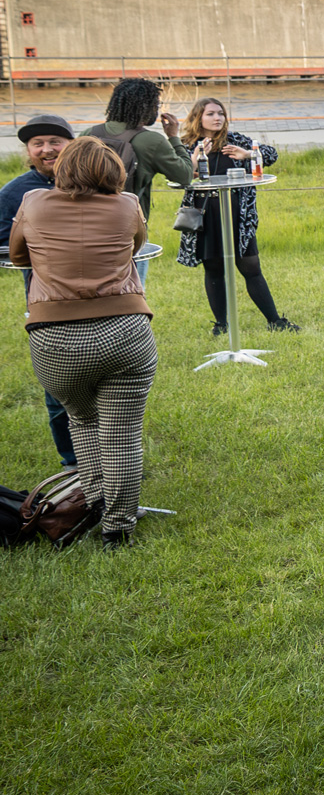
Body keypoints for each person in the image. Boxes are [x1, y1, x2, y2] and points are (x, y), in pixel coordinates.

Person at [8, 136, 155, 548]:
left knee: (82, 420)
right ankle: (118, 527)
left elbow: (19, 256)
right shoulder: (127, 204)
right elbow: (135, 247)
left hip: (55, 337)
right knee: (122, 431)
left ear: (63, 167)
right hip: (125, 330)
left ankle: (94, 501)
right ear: (113, 170)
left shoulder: (34, 201)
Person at [174, 97, 297, 335]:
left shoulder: (237, 140)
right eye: (210, 114)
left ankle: (275, 321)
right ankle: (221, 325)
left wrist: (248, 155)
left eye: (220, 113)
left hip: (237, 214)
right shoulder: (186, 144)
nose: (217, 118)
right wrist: (196, 155)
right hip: (205, 214)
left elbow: (271, 156)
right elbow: (181, 175)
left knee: (251, 266)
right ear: (198, 117)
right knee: (213, 268)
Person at [0, 113, 77, 468]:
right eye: (37, 144)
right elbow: (3, 247)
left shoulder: (93, 182)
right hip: (48, 306)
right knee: (58, 393)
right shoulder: (15, 193)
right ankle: (72, 468)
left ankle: (113, 466)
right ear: (29, 151)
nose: (47, 149)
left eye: (54, 141)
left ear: (71, 145)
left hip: (106, 300)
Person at [84, 78, 192, 284]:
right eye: (156, 104)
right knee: (132, 292)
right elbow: (185, 175)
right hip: (128, 229)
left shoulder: (88, 134)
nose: (157, 109)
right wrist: (174, 137)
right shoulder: (151, 140)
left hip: (86, 226)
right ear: (147, 107)